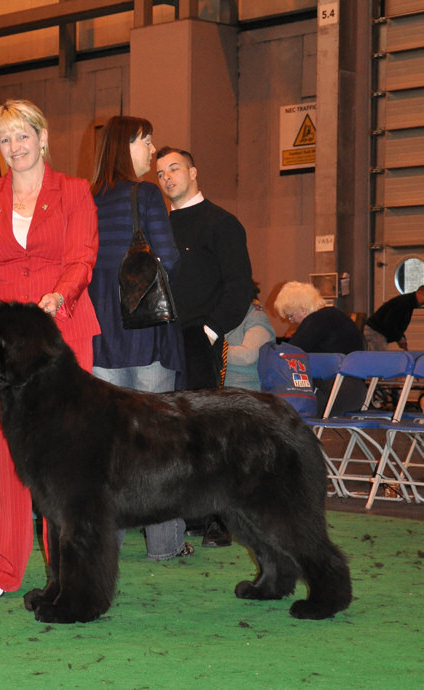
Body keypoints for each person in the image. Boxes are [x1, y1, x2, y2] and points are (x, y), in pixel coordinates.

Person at [0, 99, 100, 599]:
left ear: (43, 139)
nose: (15, 147)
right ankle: (4, 567)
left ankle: (69, 567)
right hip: (7, 342)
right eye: (6, 139)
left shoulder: (76, 191)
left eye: (23, 136)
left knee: (65, 456)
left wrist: (59, 295)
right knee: (11, 450)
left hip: (64, 327)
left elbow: (83, 256)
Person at [89, 116, 191, 560]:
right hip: (147, 332)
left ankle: (105, 544)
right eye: (146, 142)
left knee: (107, 447)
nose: (152, 152)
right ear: (126, 145)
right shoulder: (146, 194)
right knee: (158, 443)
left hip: (102, 337)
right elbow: (166, 257)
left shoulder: (87, 198)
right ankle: (165, 546)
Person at [156, 147, 253, 548]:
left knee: (207, 434)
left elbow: (240, 285)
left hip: (198, 339)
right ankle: (181, 518)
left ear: (194, 172)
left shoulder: (222, 223)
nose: (167, 177)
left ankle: (218, 519)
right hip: (160, 338)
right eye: (159, 173)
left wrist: (210, 332)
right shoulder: (156, 226)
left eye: (174, 168)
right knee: (167, 434)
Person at [273, 281, 366, 415]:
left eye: (291, 316)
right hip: (352, 391)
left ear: (303, 309)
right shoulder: (333, 316)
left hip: (336, 391)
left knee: (279, 409)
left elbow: (289, 353)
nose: (291, 321)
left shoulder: (316, 319)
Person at [224, 283, 275, 391]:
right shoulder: (225, 319)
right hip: (224, 390)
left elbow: (247, 356)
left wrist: (213, 350)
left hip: (246, 391)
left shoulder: (257, 318)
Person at [363, 286, 424, 351]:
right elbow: (389, 322)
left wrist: (400, 337)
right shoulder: (404, 303)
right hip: (375, 331)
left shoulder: (408, 303)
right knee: (382, 359)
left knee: (378, 358)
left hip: (375, 331)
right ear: (419, 293)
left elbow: (395, 323)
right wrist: (399, 338)